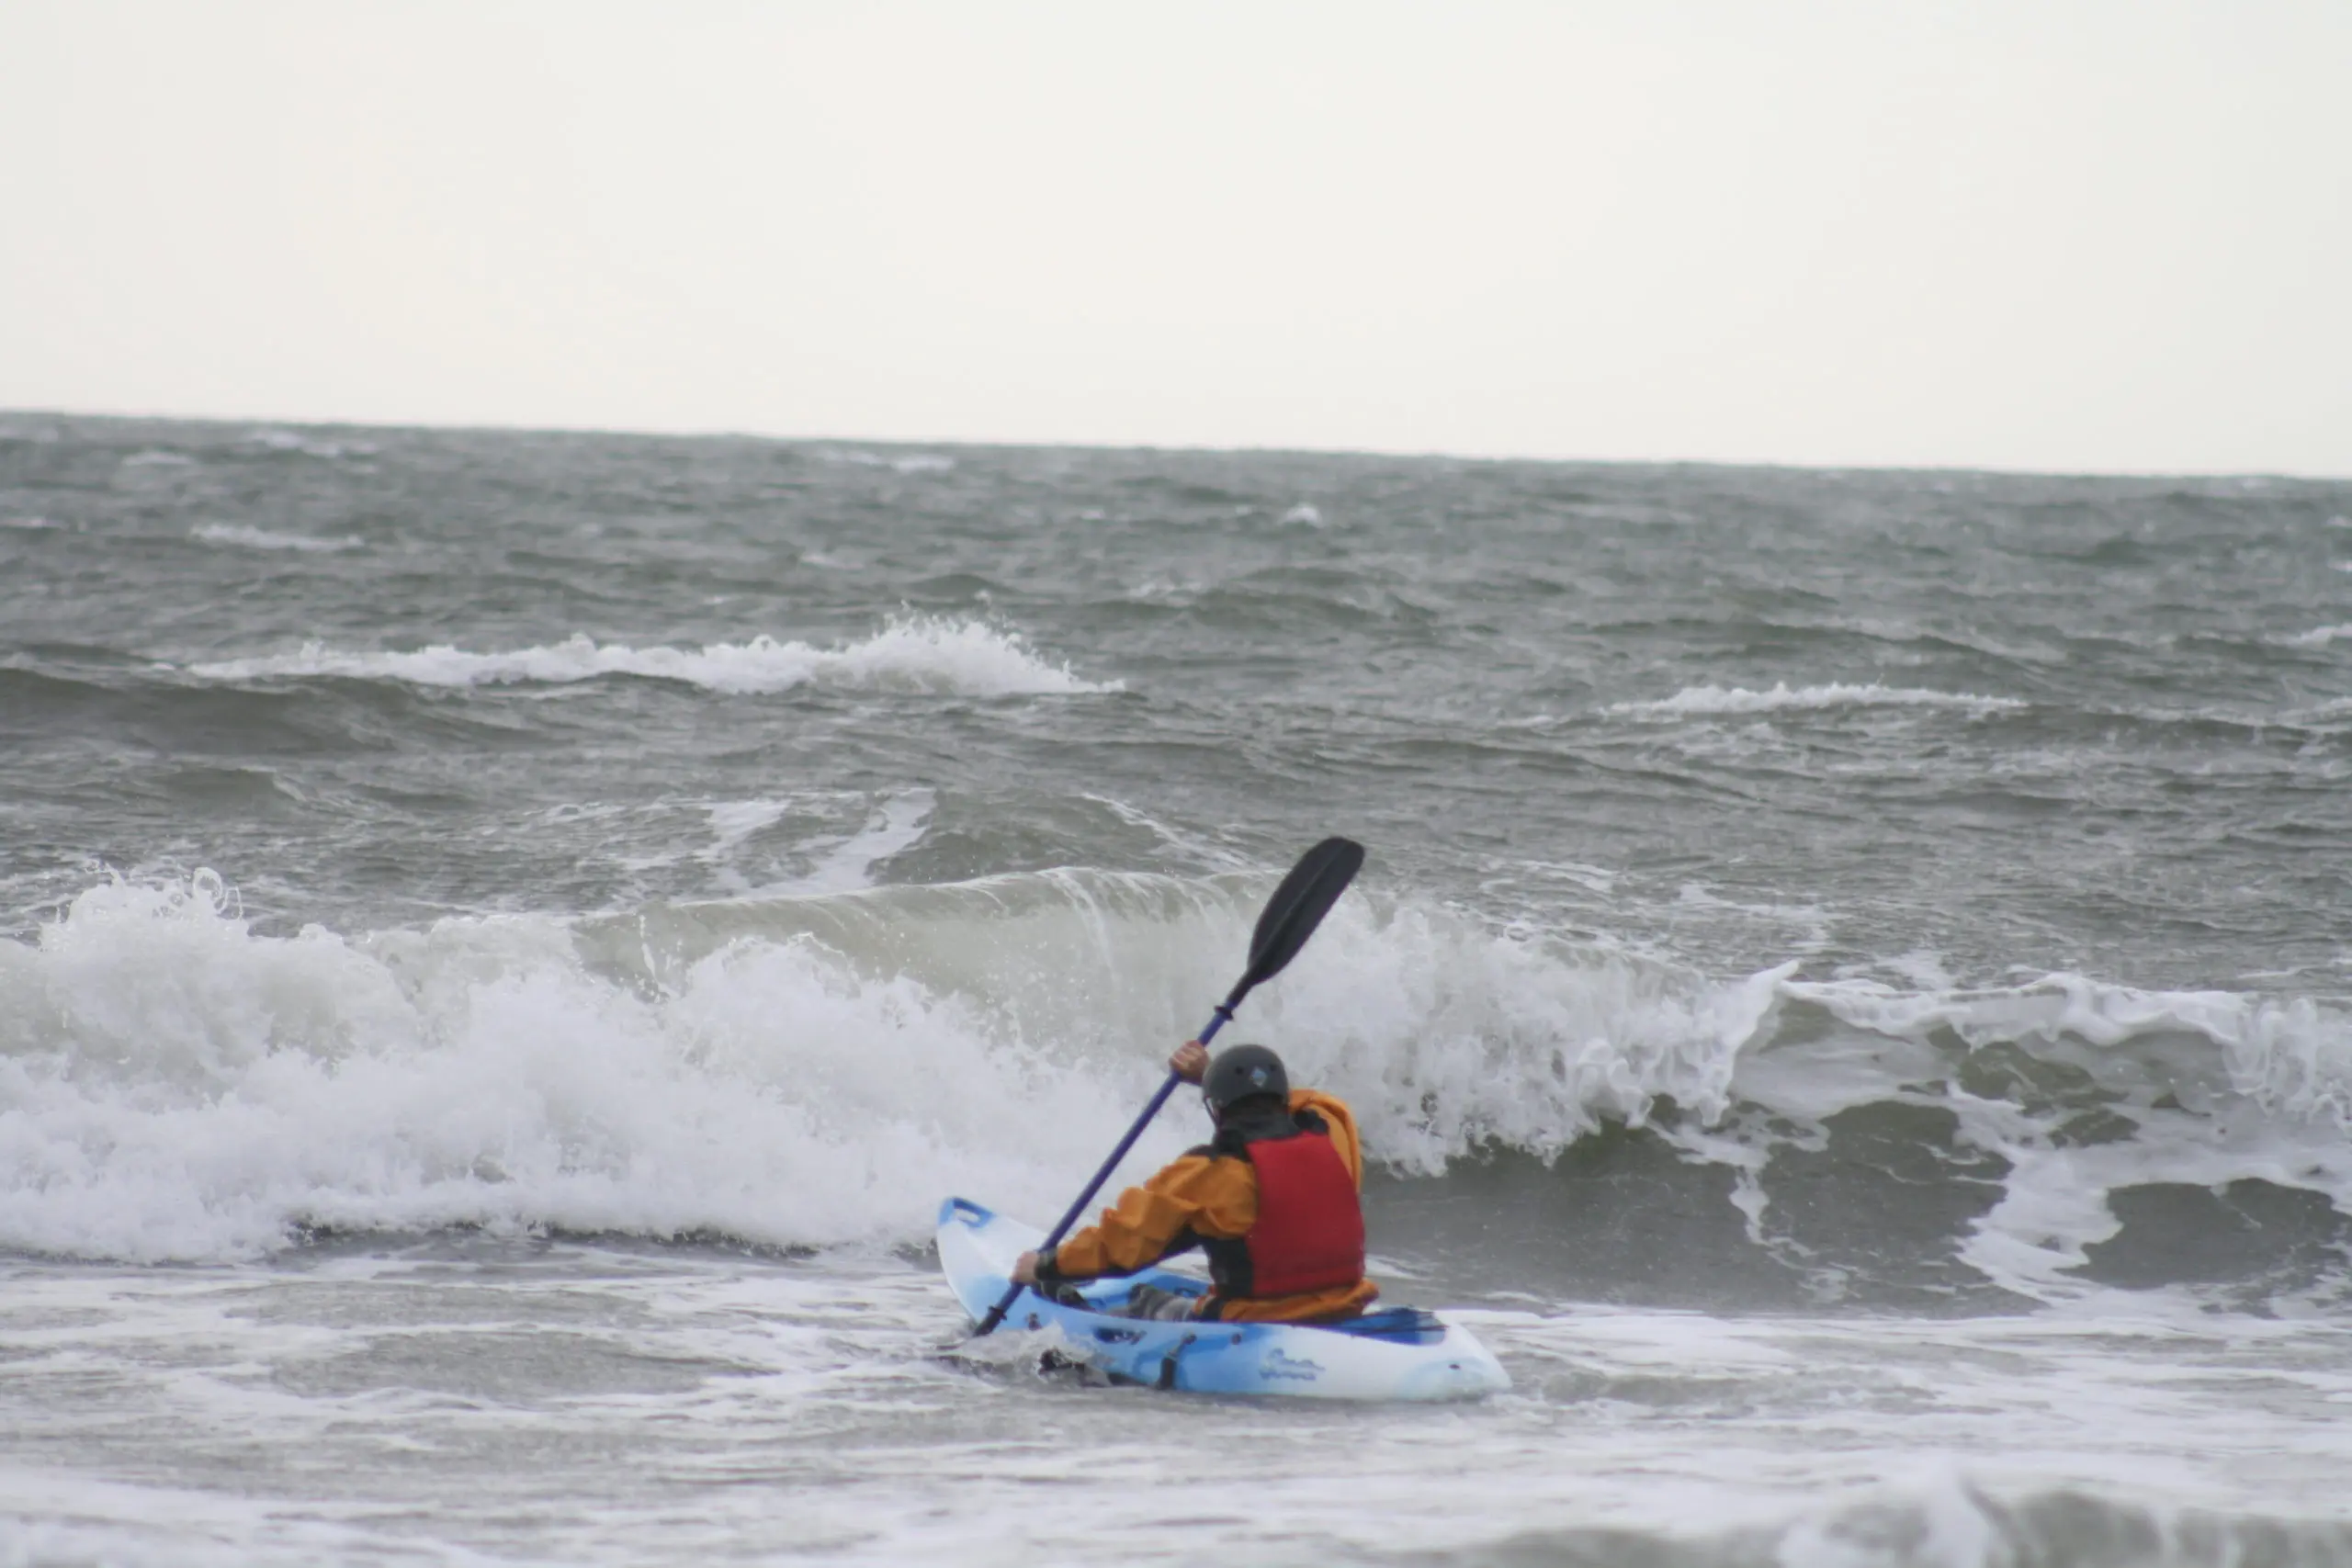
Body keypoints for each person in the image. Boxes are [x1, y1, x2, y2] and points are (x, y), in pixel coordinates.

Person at [1011, 1039, 1379, 1323]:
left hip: (1256, 1322)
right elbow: (1315, 1102)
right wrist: (1210, 1075)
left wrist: (1044, 1266)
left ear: (1217, 1109)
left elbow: (1122, 1242)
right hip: (1345, 1308)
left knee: (1147, 1299)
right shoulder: (1333, 1135)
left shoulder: (1208, 1174)